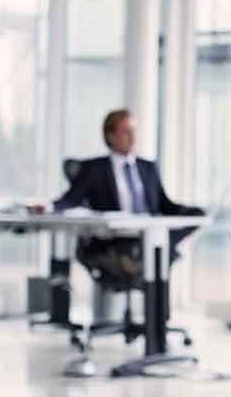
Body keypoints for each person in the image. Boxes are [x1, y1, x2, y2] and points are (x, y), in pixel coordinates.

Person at [52, 109, 204, 281]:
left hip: (148, 231)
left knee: (193, 218)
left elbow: (163, 204)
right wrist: (49, 208)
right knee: (156, 254)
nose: (133, 137)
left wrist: (192, 212)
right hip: (116, 238)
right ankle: (156, 249)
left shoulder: (148, 167)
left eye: (134, 131)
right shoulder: (94, 168)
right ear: (110, 136)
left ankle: (159, 246)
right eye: (126, 131)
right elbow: (70, 199)